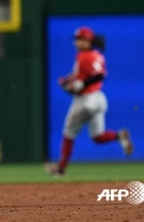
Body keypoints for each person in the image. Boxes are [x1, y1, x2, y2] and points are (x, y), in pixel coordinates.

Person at [44, 26, 133, 177]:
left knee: (68, 134)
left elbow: (99, 75)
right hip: (99, 99)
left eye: (79, 39)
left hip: (86, 100)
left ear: (87, 41)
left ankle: (60, 169)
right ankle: (119, 136)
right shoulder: (94, 54)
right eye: (76, 39)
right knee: (97, 137)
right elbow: (83, 75)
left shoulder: (86, 55)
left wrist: (80, 84)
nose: (76, 42)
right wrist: (68, 81)